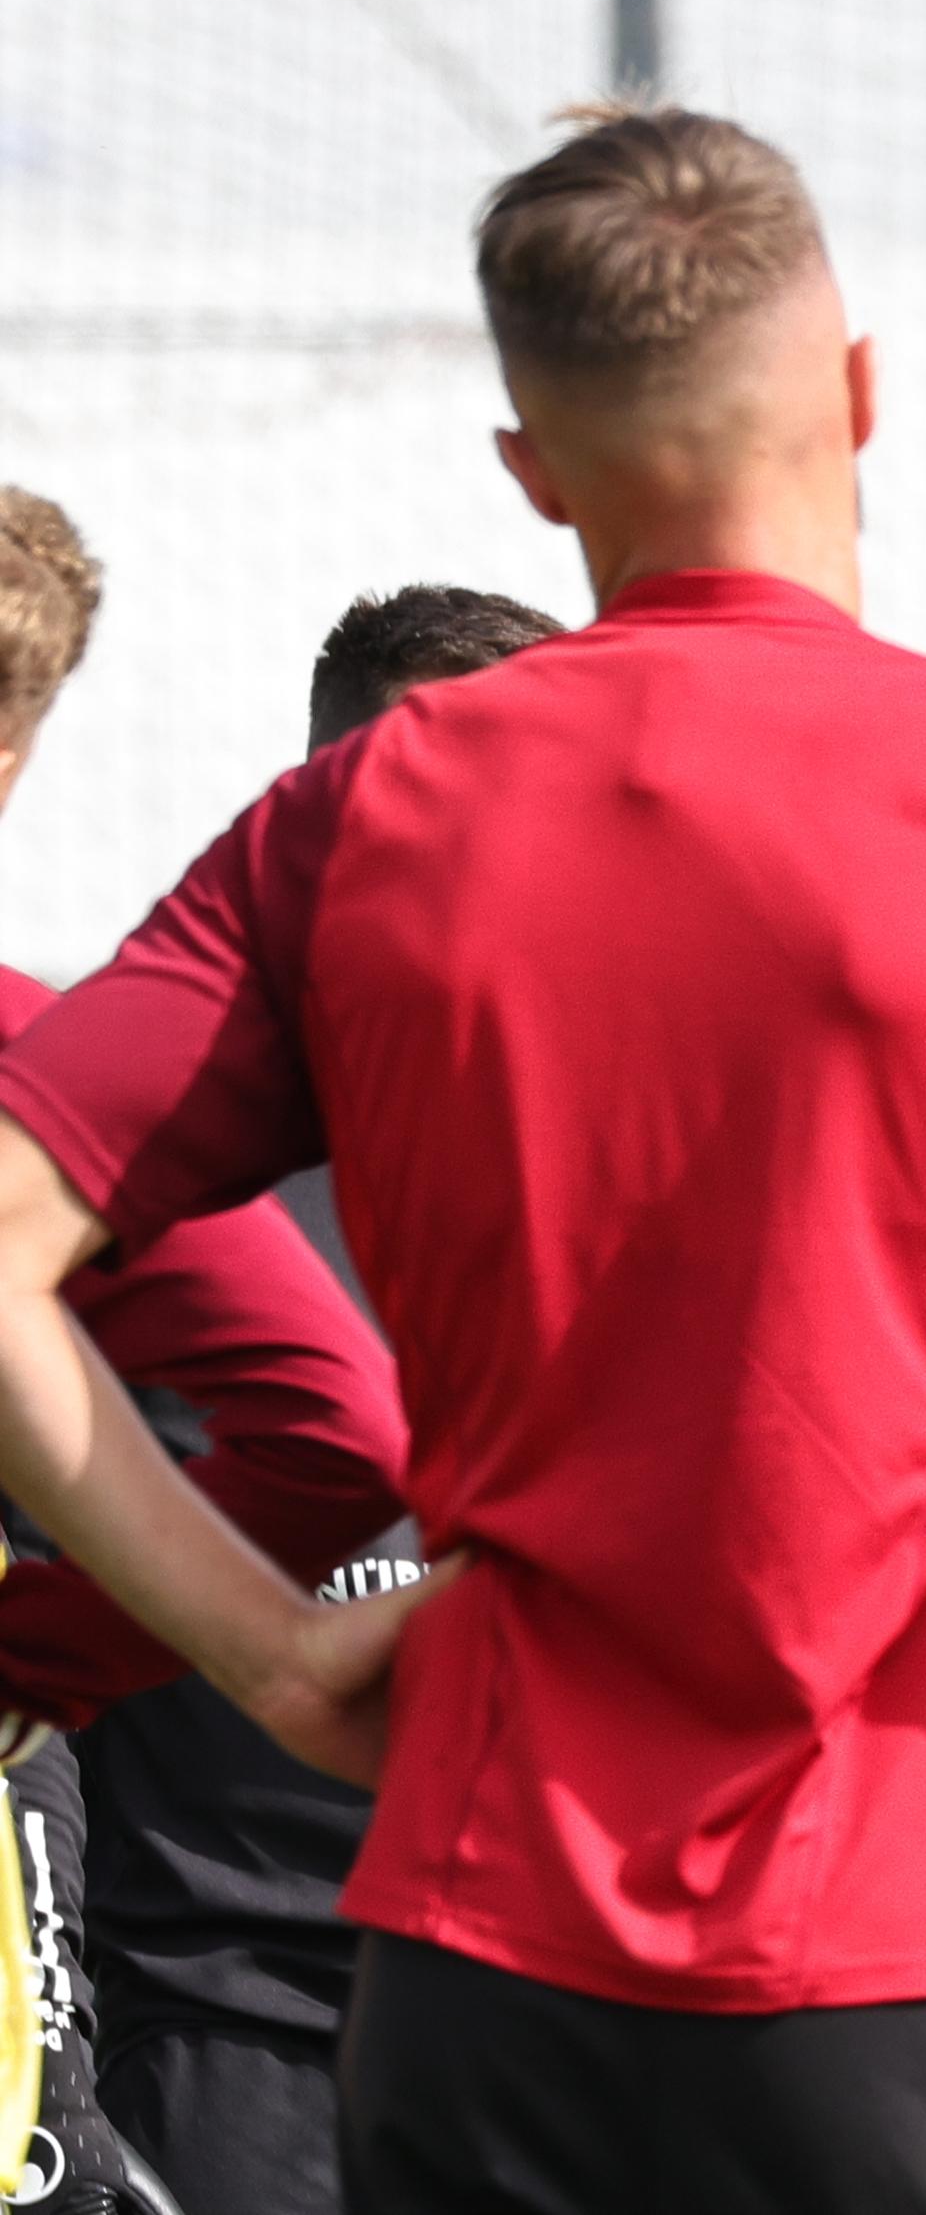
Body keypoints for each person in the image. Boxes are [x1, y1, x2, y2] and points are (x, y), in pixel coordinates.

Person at [0, 105, 926, 2215]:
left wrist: (257, 1645)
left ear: (531, 473)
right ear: (862, 392)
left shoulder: (358, 822)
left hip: (477, 1965)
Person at [0, 584, 561, 2215]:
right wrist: (59, 2080)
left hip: (567, 2031)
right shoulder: (127, 1167)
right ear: (318, 818)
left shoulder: (667, 1179)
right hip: (218, 2033)